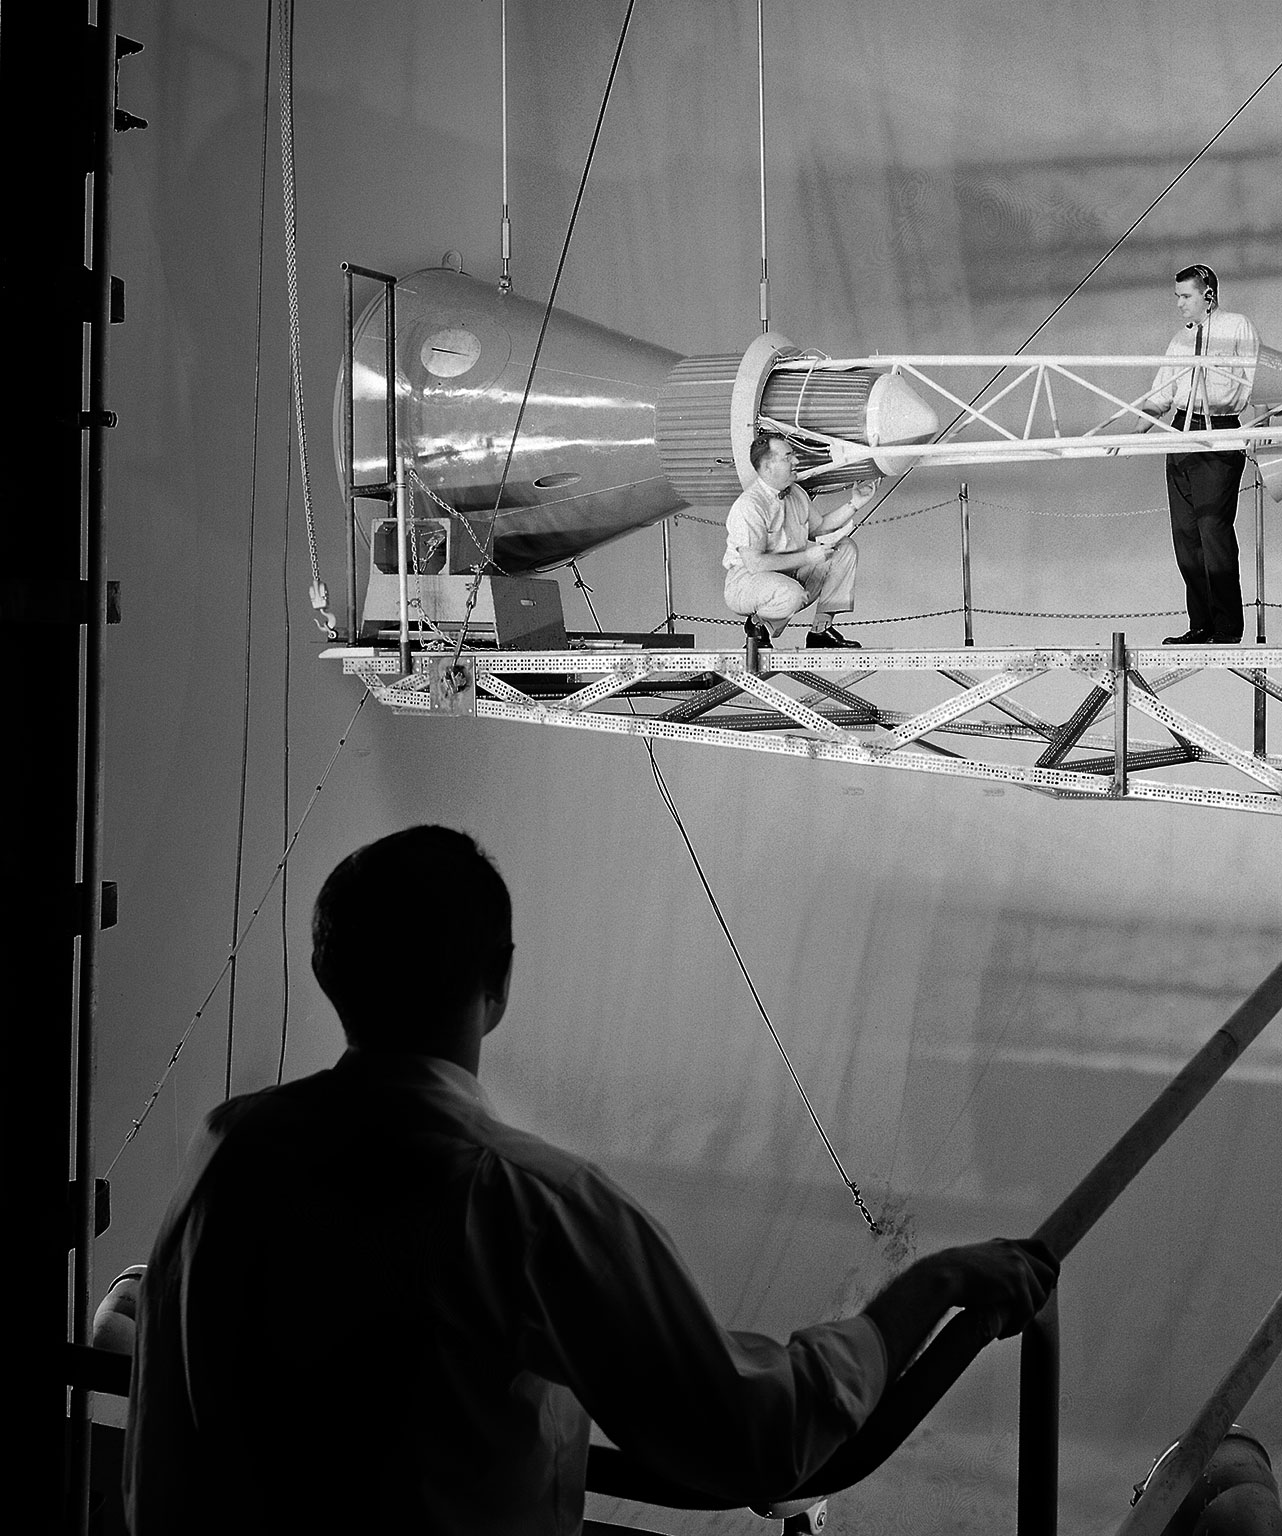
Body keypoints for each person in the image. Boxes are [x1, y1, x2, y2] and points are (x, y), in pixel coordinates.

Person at [125, 826, 1056, 1535]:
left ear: (330, 969)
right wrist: (937, 1285)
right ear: (500, 984)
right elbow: (758, 1435)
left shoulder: (228, 1151)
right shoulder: (529, 1206)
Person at [1136, 263, 1259, 645]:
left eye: (1185, 296)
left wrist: (1260, 432)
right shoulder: (1180, 340)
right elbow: (1162, 393)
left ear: (1208, 294)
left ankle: (1225, 627)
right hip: (1181, 430)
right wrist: (1130, 430)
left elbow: (1255, 380)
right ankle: (1201, 623)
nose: (1179, 305)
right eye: (1177, 297)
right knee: (1186, 535)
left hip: (1219, 431)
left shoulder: (1237, 327)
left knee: (1213, 528)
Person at [724, 432, 875, 649]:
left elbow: (819, 527)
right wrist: (807, 557)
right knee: (792, 595)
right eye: (788, 457)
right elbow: (755, 564)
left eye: (793, 455)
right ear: (767, 467)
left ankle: (820, 631)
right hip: (747, 581)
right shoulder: (750, 506)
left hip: (788, 573)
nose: (796, 461)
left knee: (844, 549)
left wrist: (855, 504)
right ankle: (757, 627)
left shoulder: (795, 492)